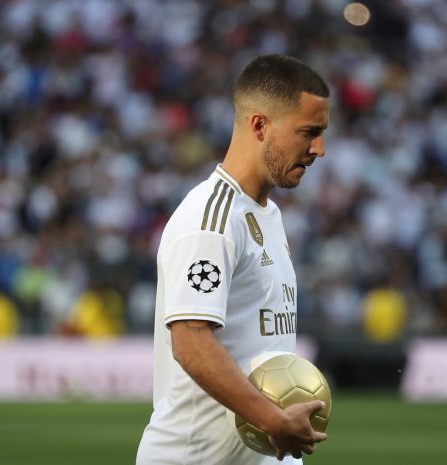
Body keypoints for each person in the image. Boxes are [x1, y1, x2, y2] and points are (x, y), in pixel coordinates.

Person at [136, 54, 330, 464]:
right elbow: (190, 342)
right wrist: (272, 420)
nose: (320, 149)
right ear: (260, 125)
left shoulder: (268, 214)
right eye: (308, 133)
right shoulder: (211, 219)